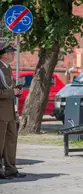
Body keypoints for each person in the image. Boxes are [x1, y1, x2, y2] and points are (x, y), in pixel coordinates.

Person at [0, 41, 26, 179]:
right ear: (3, 55)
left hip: (9, 111)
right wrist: (12, 93)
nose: (12, 55)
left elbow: (8, 88)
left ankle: (11, 169)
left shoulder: (7, 68)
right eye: (10, 53)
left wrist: (16, 91)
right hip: (1, 112)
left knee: (11, 141)